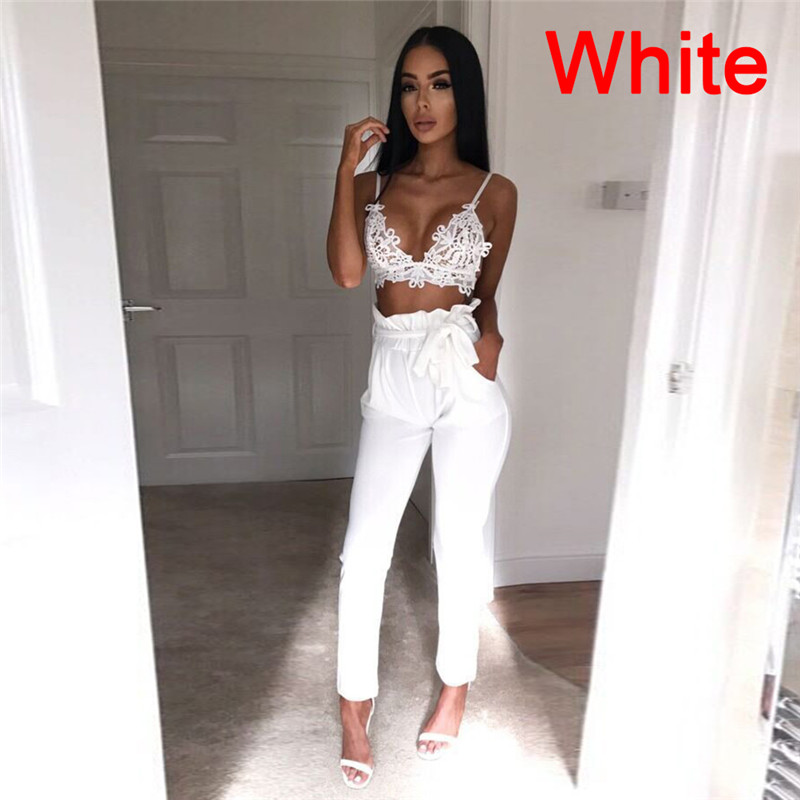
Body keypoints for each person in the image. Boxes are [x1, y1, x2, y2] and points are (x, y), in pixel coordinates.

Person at [326, 25, 517, 789]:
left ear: (463, 94)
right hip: (394, 373)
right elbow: (347, 275)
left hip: (464, 374)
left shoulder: (495, 192)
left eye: (439, 84)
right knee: (364, 548)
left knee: (457, 543)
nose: (422, 102)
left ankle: (455, 688)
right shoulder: (371, 187)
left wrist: (493, 335)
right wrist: (344, 169)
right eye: (409, 85)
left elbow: (487, 290)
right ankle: (354, 702)